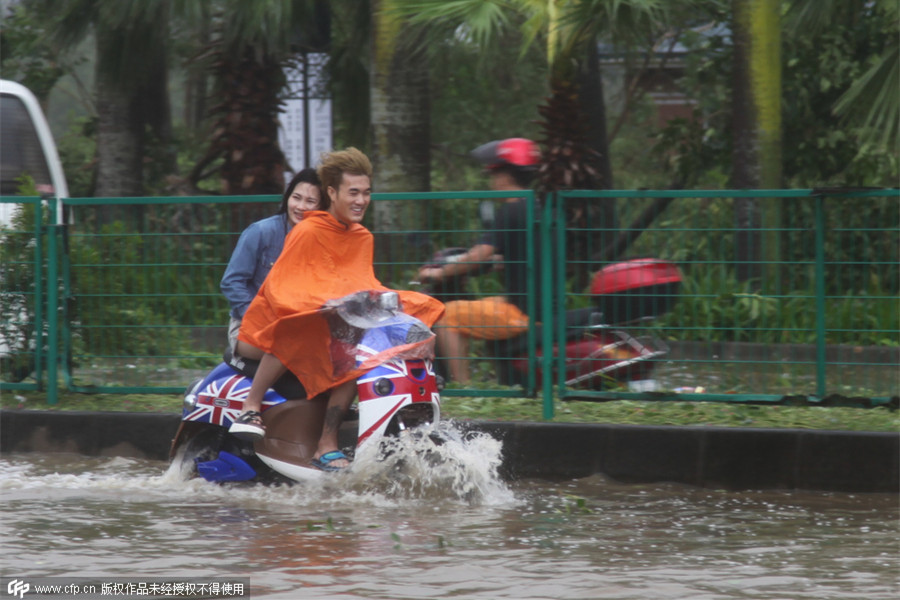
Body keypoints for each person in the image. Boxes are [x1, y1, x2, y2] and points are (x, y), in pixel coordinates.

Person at [230, 147, 444, 471]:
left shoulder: (362, 236)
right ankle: (252, 406)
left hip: (330, 328)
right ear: (332, 192)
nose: (361, 200)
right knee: (301, 326)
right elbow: (282, 291)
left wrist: (415, 326)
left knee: (357, 345)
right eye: (353, 192)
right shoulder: (306, 231)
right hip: (268, 330)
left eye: (366, 193)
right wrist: (323, 305)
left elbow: (365, 287)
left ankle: (329, 441)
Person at [417, 138, 541, 384]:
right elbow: (525, 252)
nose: (491, 181)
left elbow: (478, 255)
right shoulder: (538, 206)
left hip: (523, 310)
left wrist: (439, 274)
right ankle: (501, 380)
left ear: (505, 176)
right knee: (477, 307)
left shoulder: (510, 210)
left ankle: (463, 391)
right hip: (539, 304)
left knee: (445, 315)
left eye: (493, 174)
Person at [220, 168, 323, 355]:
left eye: (310, 201)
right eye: (296, 197)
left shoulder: (322, 241)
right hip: (250, 327)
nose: (301, 206)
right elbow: (231, 282)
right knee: (298, 353)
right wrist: (256, 318)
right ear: (287, 198)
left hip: (299, 329)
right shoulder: (261, 232)